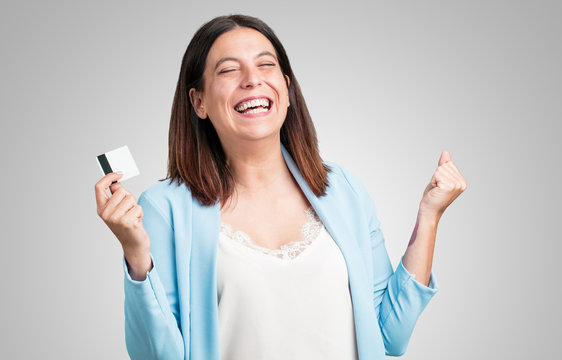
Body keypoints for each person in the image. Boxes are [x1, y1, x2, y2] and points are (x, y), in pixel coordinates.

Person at [94, 14, 467, 360]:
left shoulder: (342, 190)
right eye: (228, 69)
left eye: (266, 64)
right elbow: (157, 356)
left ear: (286, 90)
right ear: (199, 101)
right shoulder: (163, 208)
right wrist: (136, 257)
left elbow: (390, 335)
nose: (252, 79)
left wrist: (430, 215)